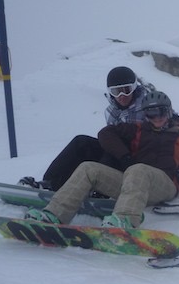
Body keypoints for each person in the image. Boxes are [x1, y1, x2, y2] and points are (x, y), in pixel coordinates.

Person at [24, 91, 179, 229]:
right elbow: (105, 133)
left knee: (139, 169)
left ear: (169, 111)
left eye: (161, 112)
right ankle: (55, 214)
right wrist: (124, 156)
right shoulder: (138, 129)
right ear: (146, 115)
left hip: (164, 184)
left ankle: (125, 220)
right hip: (135, 182)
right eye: (152, 113)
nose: (157, 117)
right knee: (89, 168)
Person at [19, 66, 148, 191]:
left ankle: (99, 189)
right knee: (81, 143)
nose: (121, 96)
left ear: (135, 88)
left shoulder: (148, 105)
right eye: (115, 91)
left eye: (126, 90)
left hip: (136, 158)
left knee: (113, 149)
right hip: (118, 155)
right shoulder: (112, 111)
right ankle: (51, 183)